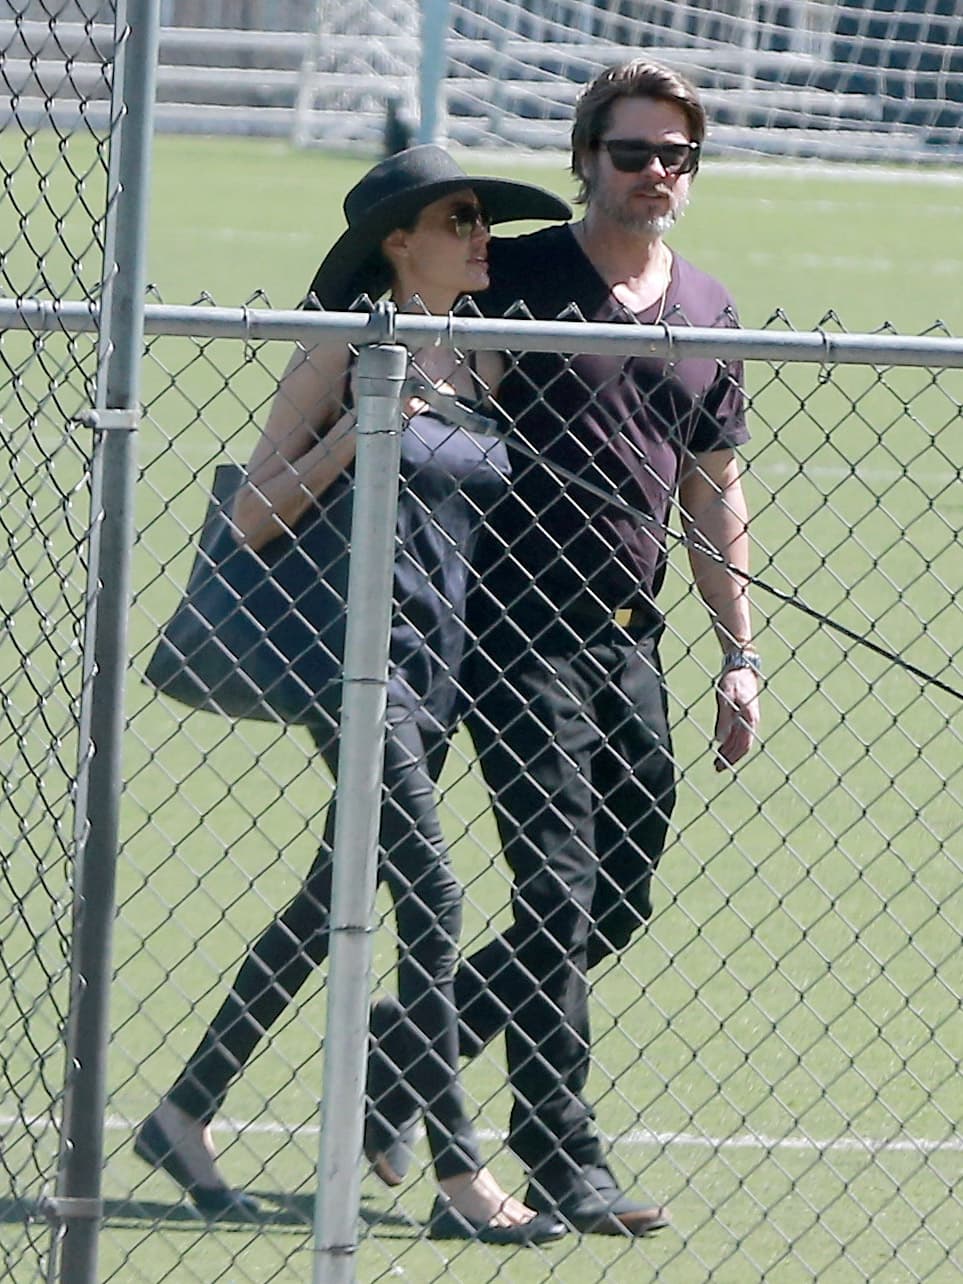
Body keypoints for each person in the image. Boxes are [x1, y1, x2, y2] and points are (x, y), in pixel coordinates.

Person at [134, 146, 571, 1246]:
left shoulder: (483, 358)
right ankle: (464, 1174)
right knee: (435, 900)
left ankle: (184, 1112)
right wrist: (370, 424)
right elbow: (249, 516)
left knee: (323, 903)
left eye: (483, 220)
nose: (483, 237)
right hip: (355, 668)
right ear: (398, 241)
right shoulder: (346, 344)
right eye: (462, 218)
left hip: (441, 669)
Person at [370, 60, 762, 1236]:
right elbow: (428, 347)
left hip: (628, 641)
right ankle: (561, 1153)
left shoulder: (706, 310)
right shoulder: (527, 272)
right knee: (556, 888)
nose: (655, 173)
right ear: (586, 157)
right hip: (510, 631)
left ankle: (410, 1046)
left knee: (617, 894)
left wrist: (740, 655)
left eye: (675, 156)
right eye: (634, 151)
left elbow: (712, 487)